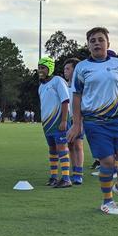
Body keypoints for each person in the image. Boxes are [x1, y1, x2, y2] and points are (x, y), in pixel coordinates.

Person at [67, 27, 118, 214]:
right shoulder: (82, 67)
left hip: (117, 119)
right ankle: (107, 201)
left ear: (108, 43)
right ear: (88, 46)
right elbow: (77, 97)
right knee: (107, 161)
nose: (96, 43)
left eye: (100, 39)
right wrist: (76, 123)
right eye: (92, 41)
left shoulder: (116, 63)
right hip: (95, 122)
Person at [38, 56, 72, 188]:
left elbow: (65, 101)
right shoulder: (41, 86)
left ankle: (66, 178)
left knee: (62, 148)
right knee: (52, 149)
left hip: (59, 122)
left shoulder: (58, 81)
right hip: (47, 125)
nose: (40, 70)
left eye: (43, 68)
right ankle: (53, 177)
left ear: (50, 68)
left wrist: (64, 121)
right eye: (39, 68)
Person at [63, 57, 85, 184]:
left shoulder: (79, 85)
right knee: (70, 145)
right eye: (64, 69)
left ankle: (79, 173)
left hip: (77, 119)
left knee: (78, 145)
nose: (65, 71)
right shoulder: (65, 86)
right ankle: (73, 170)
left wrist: (80, 120)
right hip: (67, 119)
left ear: (75, 70)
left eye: (68, 69)